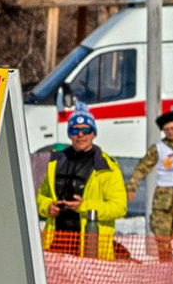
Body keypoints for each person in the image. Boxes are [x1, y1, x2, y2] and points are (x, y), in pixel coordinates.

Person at [35, 108, 128, 256]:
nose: (80, 135)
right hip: (55, 247)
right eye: (74, 130)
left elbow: (119, 207)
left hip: (91, 251)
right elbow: (41, 196)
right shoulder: (56, 161)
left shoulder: (106, 166)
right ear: (69, 134)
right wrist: (48, 207)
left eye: (85, 130)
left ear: (93, 133)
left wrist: (85, 207)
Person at [129, 108, 173, 257]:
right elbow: (142, 168)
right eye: (167, 130)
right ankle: (166, 274)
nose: (170, 132)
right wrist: (131, 187)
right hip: (164, 199)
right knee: (163, 241)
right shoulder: (158, 148)